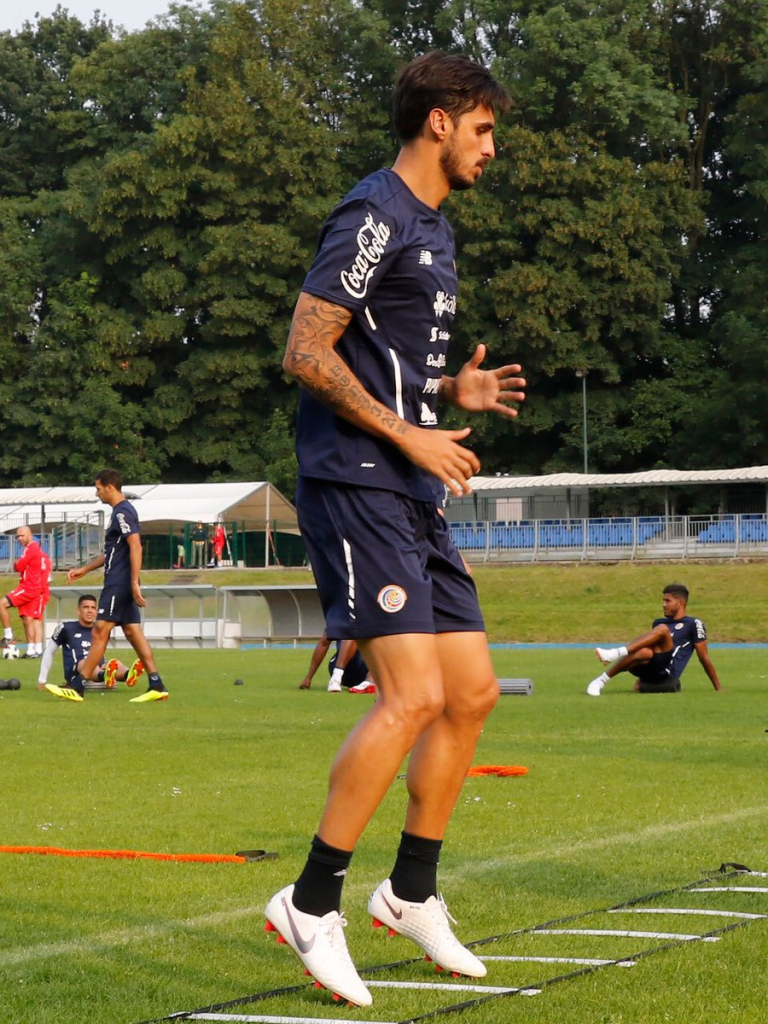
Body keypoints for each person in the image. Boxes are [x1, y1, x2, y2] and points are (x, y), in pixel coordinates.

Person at [264, 52, 523, 1008]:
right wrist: (411, 430)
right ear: (441, 122)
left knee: (472, 695)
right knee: (410, 696)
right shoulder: (374, 214)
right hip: (356, 481)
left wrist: (451, 393)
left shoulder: (436, 230)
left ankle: (408, 893)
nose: (493, 148)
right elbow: (305, 347)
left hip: (411, 490)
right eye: (485, 129)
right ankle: (310, 902)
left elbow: (385, 365)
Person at [45, 469, 169, 704]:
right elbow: (113, 552)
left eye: (99, 488)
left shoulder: (123, 512)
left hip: (119, 582)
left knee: (100, 630)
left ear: (110, 487)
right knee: (133, 632)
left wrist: (133, 581)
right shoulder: (119, 513)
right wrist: (85, 569)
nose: (97, 492)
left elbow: (136, 546)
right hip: (121, 580)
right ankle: (157, 684)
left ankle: (78, 685)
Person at [586, 583, 722, 696]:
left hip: (668, 672)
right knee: (644, 652)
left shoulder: (693, 623)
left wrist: (718, 688)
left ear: (680, 603)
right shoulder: (658, 622)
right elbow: (653, 652)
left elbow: (704, 657)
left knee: (662, 630)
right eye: (663, 600)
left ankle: (615, 653)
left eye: (668, 601)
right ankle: (600, 681)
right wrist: (641, 680)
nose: (663, 604)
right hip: (651, 667)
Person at [38, 593, 142, 698]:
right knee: (85, 663)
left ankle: (128, 674)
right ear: (78, 611)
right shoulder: (66, 628)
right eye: (86, 607)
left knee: (116, 663)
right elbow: (49, 651)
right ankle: (105, 675)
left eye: (93, 608)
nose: (90, 610)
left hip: (99, 667)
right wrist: (42, 680)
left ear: (97, 611)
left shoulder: (101, 629)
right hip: (77, 671)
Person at [0, 526, 44, 655]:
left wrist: (16, 563)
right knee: (26, 619)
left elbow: (19, 566)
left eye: (22, 535)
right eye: (17, 536)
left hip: (28, 587)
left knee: (1, 604)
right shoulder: (32, 548)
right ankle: (31, 650)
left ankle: (8, 635)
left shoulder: (31, 547)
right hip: (33, 587)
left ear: (29, 534)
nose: (19, 538)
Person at [299, 629, 377, 694]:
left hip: (346, 672)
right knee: (355, 632)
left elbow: (323, 644)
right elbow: (324, 643)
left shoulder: (340, 617)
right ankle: (369, 681)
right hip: (353, 668)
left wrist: (308, 678)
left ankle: (337, 679)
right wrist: (308, 678)